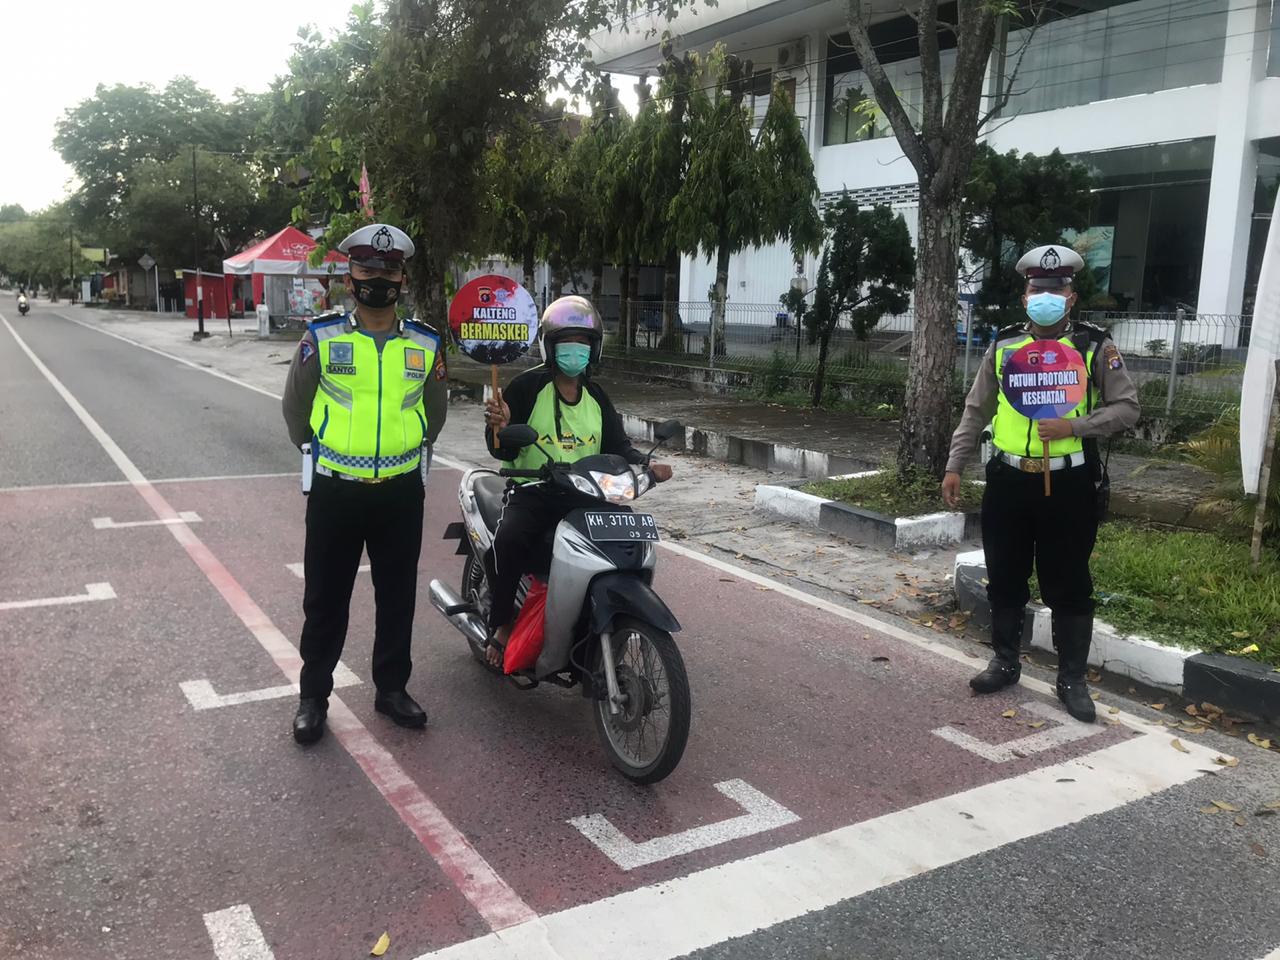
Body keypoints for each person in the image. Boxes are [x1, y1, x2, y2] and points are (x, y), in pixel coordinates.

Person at [941, 244, 1140, 722]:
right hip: (1008, 480)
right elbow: (976, 409)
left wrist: (1074, 427)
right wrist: (954, 464)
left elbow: (1127, 409)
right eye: (1036, 289)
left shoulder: (1094, 346)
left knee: (1068, 581)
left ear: (1070, 296)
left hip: (1068, 485)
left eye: (1056, 289)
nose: (1045, 296)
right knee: (1005, 576)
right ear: (1024, 294)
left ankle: (1071, 678)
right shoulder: (1005, 344)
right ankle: (1005, 661)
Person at [281, 222, 449, 744]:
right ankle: (313, 696)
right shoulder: (322, 337)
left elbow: (435, 413)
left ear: (402, 278)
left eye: (389, 270)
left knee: (396, 596)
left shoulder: (425, 343)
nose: (379, 278)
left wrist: (403, 446)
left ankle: (391, 689)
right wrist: (333, 448)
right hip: (337, 491)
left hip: (400, 492)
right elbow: (296, 412)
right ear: (350, 278)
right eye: (367, 269)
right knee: (325, 599)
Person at [482, 295, 673, 665]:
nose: (575, 353)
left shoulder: (596, 396)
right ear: (550, 348)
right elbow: (501, 450)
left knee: (623, 539)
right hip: (535, 491)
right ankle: (503, 623)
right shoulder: (526, 388)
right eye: (566, 345)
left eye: (583, 345)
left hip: (587, 493)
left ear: (594, 349)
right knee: (509, 540)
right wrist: (500, 428)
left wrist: (646, 465)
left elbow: (617, 444)